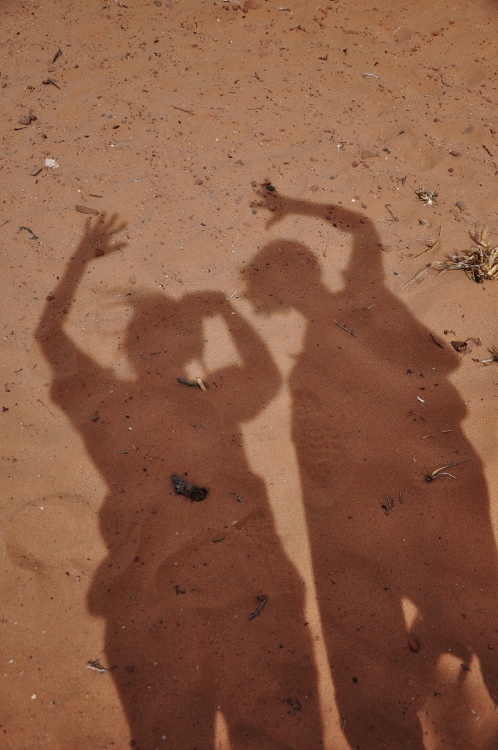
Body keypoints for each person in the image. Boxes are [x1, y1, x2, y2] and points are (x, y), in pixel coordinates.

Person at [36, 215, 323, 749]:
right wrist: (227, 311)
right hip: (234, 576)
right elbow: (266, 373)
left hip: (178, 583)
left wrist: (82, 258)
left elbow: (49, 335)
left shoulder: (109, 398)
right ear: (191, 346)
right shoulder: (214, 398)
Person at [244, 194, 498, 749]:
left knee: (479, 617)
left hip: (424, 488)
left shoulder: (358, 300)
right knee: (482, 613)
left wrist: (294, 206)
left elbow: (362, 229)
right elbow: (362, 227)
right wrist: (297, 208)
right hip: (450, 471)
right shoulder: (367, 292)